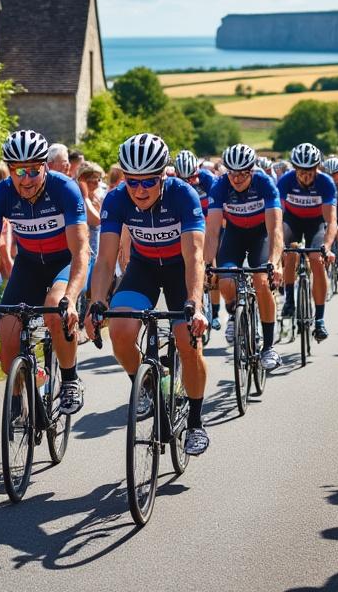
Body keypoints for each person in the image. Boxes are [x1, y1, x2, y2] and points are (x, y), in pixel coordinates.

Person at [89, 133, 211, 454]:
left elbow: (195, 257)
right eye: (132, 181)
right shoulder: (116, 199)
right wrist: (97, 301)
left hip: (179, 270)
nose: (139, 190)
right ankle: (146, 385)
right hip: (143, 268)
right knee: (120, 330)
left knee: (187, 340)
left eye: (148, 182)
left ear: (163, 176)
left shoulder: (183, 196)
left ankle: (196, 423)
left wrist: (195, 305)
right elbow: (104, 260)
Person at [0, 130, 91, 414]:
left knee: (55, 310)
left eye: (34, 171)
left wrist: (71, 298)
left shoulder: (64, 189)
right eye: (19, 171)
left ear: (45, 166)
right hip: (29, 264)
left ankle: (70, 379)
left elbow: (81, 251)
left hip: (65, 261)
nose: (26, 179)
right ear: (9, 170)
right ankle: (20, 398)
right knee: (9, 340)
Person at [203, 143, 283, 368]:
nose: (236, 179)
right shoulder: (220, 186)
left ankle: (268, 347)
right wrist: (208, 264)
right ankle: (232, 312)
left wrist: (274, 262)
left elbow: (275, 229)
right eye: (232, 173)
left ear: (252, 170)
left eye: (242, 174)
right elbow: (212, 232)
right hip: (235, 235)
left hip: (260, 235)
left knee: (262, 281)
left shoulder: (264, 183)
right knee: (226, 279)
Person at [277, 142, 338, 342]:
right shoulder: (285, 181)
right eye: (301, 171)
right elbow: (277, 217)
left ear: (317, 167)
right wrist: (277, 246)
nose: (306, 175)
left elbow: (331, 221)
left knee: (317, 259)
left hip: (315, 223)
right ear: (294, 168)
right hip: (292, 221)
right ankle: (289, 300)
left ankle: (319, 319)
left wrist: (327, 248)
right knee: (289, 252)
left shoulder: (325, 183)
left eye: (310, 170)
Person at [174, 150, 222, 330]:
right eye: (183, 179)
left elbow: (218, 205)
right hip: (187, 225)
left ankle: (215, 312)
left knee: (211, 265)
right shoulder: (173, 181)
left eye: (192, 178)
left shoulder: (208, 179)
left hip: (207, 221)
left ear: (198, 172)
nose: (188, 183)